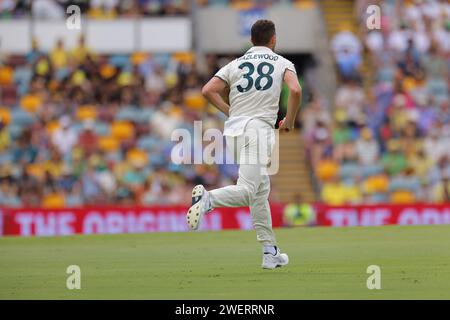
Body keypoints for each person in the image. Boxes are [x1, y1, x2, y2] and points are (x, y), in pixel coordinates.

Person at [186, 20, 302, 269]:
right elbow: (295, 91)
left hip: (235, 131)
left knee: (260, 192)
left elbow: (207, 90)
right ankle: (208, 200)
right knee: (249, 189)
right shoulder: (282, 63)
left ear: (251, 40)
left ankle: (270, 250)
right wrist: (289, 121)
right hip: (258, 130)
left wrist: (230, 111)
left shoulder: (235, 64)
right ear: (273, 40)